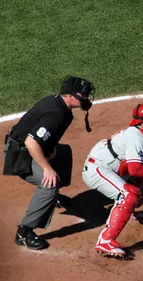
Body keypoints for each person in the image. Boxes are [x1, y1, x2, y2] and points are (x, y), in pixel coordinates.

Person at [3, 76, 95, 250]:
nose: (86, 98)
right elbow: (31, 142)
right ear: (70, 96)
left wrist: (49, 148)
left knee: (63, 153)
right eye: (83, 95)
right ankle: (25, 231)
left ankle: (51, 199)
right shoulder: (56, 113)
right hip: (19, 156)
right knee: (50, 184)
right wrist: (47, 168)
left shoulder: (59, 104)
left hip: (26, 147)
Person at [81, 101, 143, 258]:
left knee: (136, 184)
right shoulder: (136, 137)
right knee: (130, 194)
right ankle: (105, 241)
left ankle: (125, 210)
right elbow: (135, 170)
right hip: (98, 169)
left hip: (113, 168)